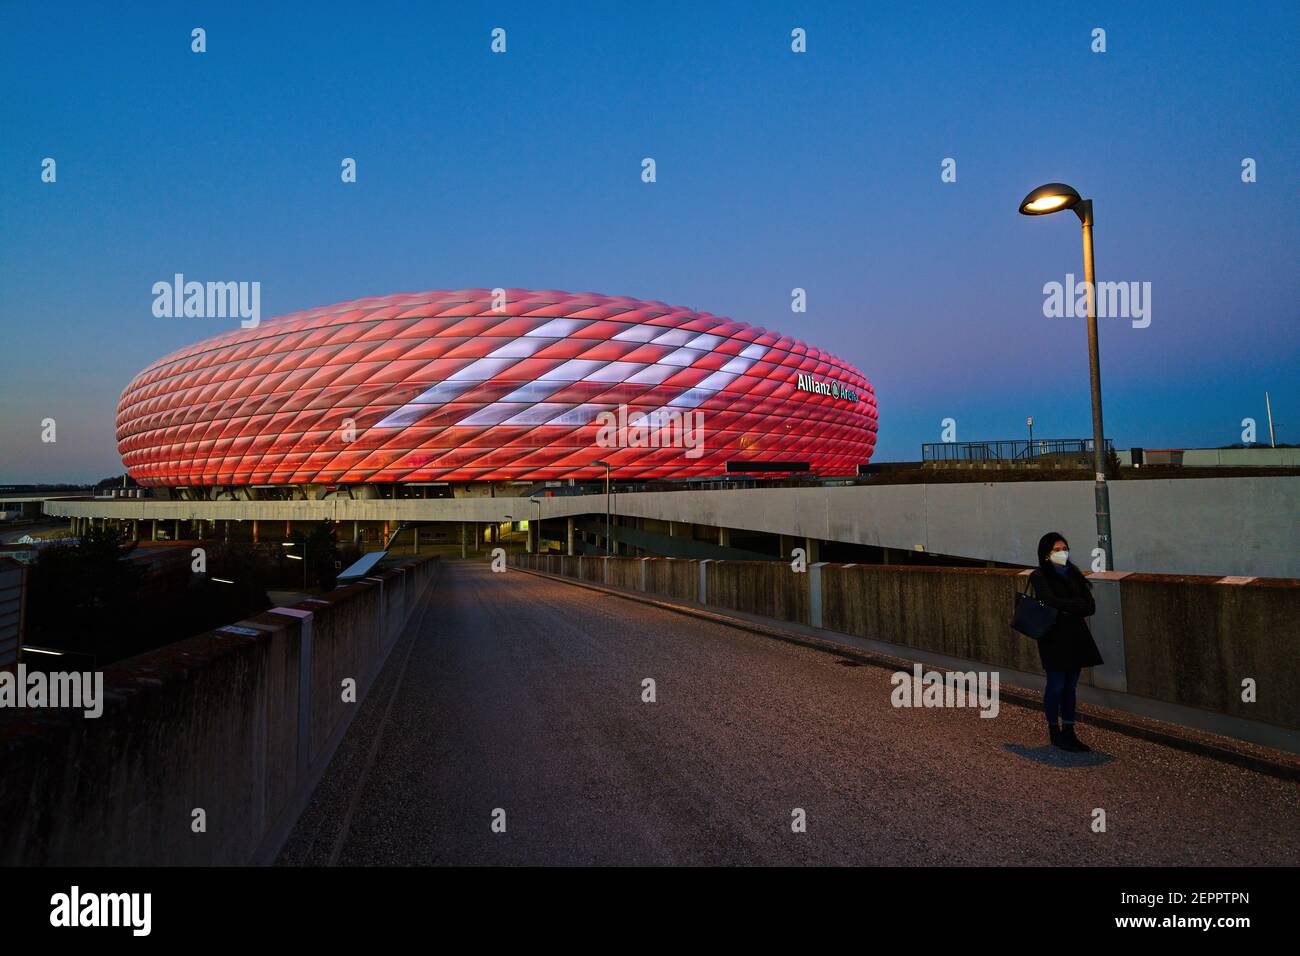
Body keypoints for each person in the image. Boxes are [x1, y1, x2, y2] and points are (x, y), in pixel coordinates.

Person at [1029, 532, 1103, 752]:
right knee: (1056, 685)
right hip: (1053, 637)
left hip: (1076, 636)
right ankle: (1055, 731)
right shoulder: (1039, 576)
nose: (1062, 553)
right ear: (1046, 553)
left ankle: (1069, 731)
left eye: (1064, 548)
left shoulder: (1074, 574)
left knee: (1070, 687)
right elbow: (1049, 601)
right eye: (1057, 550)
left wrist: (1065, 606)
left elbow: (1090, 606)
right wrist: (1074, 604)